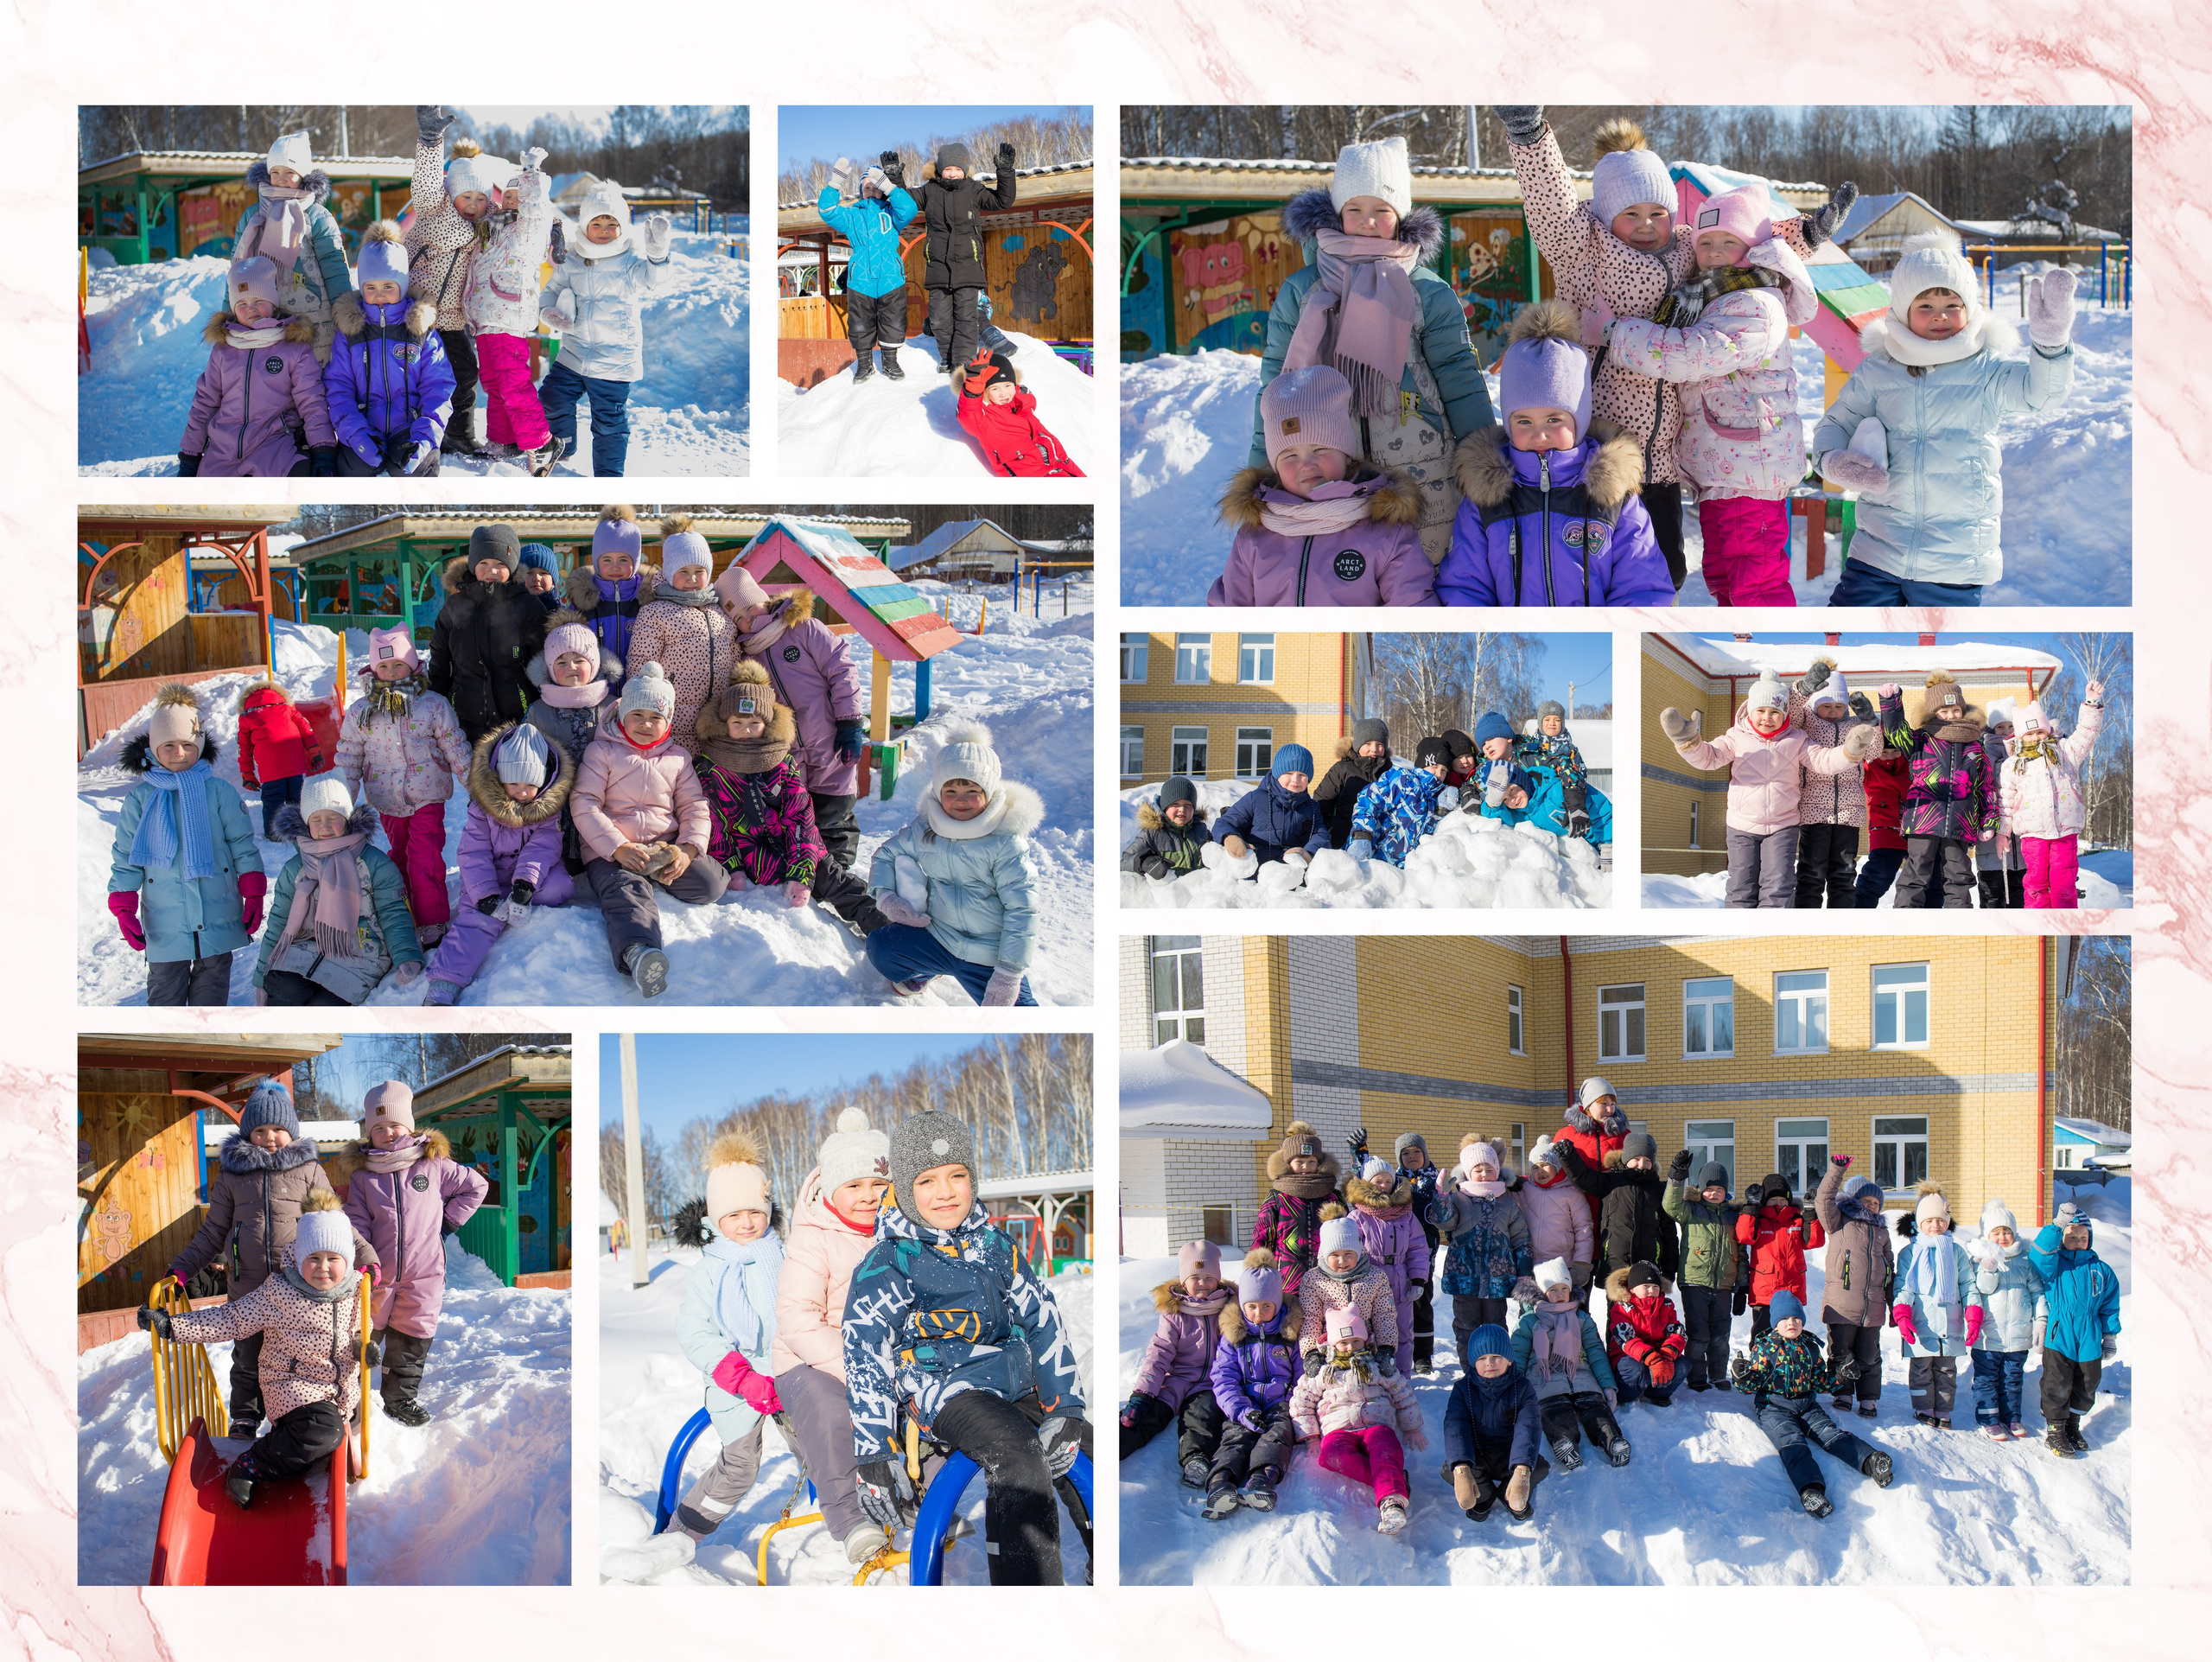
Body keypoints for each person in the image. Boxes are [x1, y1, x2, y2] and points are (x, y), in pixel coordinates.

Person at [1491, 106, 1848, 590]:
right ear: (1603, 215)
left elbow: (1739, 248)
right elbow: (1550, 207)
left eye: (1657, 213)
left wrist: (1804, 235)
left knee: (1667, 570)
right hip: (1603, 446)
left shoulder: (1686, 249)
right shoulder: (1583, 248)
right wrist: (1530, 136)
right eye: (1630, 214)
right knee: (1597, 569)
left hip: (1665, 452)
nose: (1645, 225)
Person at [843, 1111, 1090, 1586]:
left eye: (958, 1175)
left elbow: (1042, 1319)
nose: (946, 1191)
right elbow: (865, 1354)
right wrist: (876, 1451)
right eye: (927, 1180)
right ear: (904, 1190)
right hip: (946, 1387)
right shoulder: (890, 1262)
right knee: (1016, 1454)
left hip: (1010, 1377)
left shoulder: (995, 1245)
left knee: (1085, 1447)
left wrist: (1066, 1406)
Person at [1253, 137, 1493, 563]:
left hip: (1421, 469)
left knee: (1420, 583)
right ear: (1336, 213)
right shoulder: (1303, 291)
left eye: (1381, 211)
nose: (1367, 222)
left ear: (1400, 217)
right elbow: (1276, 384)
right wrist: (1260, 469)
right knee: (1345, 579)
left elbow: (1459, 377)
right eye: (1355, 210)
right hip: (1325, 468)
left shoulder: (1425, 291)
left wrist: (1484, 456)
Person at [1816, 233, 2076, 606]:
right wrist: (1832, 460)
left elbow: (2042, 395)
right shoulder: (1880, 369)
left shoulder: (1987, 369)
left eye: (1952, 303)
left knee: (1937, 655)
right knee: (1854, 640)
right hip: (1877, 552)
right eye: (1925, 305)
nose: (1940, 315)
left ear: (1970, 308)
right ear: (1904, 311)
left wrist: (2051, 345)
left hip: (1955, 560)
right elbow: (1835, 426)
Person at [1597, 184, 1819, 606]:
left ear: (1754, 248)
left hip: (1749, 472)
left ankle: (1765, 647)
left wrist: (1616, 333)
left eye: (1729, 241)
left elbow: (1692, 355)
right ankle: (1740, 636)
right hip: (1727, 469)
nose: (1715, 252)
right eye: (1706, 242)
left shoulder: (1754, 304)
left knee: (1755, 580)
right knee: (1723, 575)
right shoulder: (1716, 294)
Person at [162, 1079, 376, 1425]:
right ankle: (245, 1421)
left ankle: (318, 1418)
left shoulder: (308, 1171)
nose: (270, 1137)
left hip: (301, 1293)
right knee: (247, 1361)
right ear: (247, 1135)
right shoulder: (232, 1176)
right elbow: (213, 1230)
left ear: (291, 1132)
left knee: (306, 1358)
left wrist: (365, 1257)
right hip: (248, 1288)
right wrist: (183, 1268)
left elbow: (335, 1221)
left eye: (278, 1129)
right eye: (259, 1130)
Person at [1437, 299, 1674, 607]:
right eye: (1523, 421)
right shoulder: (1487, 500)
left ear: (1579, 419)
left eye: (1554, 419)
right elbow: (1464, 587)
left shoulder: (1614, 498)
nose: (1540, 434)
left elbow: (1644, 587)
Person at [138, 1193, 365, 1509]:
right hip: (292, 1386)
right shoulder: (281, 1291)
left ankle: (305, 1440)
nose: (322, 1268)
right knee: (324, 1433)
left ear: (347, 1260)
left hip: (337, 1390)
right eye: (313, 1258)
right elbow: (231, 1319)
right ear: (300, 1258)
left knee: (336, 1428)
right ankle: (250, 1466)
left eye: (333, 1259)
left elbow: (355, 1332)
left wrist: (361, 1348)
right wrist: (173, 1326)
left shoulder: (355, 1292)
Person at [770, 1108, 897, 1564]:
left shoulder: (899, 1234)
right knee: (829, 1408)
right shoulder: (813, 1238)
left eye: (879, 1184)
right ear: (831, 1189)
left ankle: (918, 1501)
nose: (868, 1196)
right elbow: (798, 1321)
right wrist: (858, 1369)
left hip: (878, 1356)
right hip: (807, 1360)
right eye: (854, 1185)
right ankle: (848, 1517)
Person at [653, 1130, 783, 1566]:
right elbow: (695, 1331)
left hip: (788, 1374)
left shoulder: (784, 1257)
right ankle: (682, 1535)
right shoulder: (710, 1271)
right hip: (739, 1382)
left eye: (754, 1211)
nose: (746, 1223)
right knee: (740, 1466)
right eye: (733, 1215)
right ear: (714, 1219)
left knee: (827, 1446)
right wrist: (742, 1378)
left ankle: (864, 1519)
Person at [1210, 366, 1433, 606]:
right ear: (1275, 466)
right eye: (1289, 456)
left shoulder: (1385, 531)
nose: (1306, 465)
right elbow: (1230, 613)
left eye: (1320, 449)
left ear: (1346, 455)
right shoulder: (1254, 536)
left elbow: (1411, 611)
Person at [572, 662, 729, 998]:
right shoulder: (602, 751)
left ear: (668, 722)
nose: (646, 724)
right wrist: (616, 848)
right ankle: (639, 952)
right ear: (622, 714)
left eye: (655, 717)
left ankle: (663, 871)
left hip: (663, 847)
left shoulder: (678, 758)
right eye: (637, 715)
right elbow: (584, 803)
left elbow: (694, 806)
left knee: (711, 883)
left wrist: (687, 849)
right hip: (612, 850)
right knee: (626, 891)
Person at [692, 661, 885, 934]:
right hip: (752, 859)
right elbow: (715, 825)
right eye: (738, 723)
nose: (746, 730)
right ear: (724, 724)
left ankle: (889, 929)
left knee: (837, 883)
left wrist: (802, 873)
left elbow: (800, 818)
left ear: (767, 724)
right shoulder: (711, 768)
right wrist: (732, 868)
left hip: (801, 850)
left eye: (754, 723)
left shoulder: (782, 763)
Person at [1661, 671, 1880, 907]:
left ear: (1785, 713)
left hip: (1782, 826)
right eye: (1761, 711)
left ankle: (1773, 936)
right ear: (1750, 710)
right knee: (1741, 887)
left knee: (1779, 887)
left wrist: (1850, 752)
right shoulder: (1736, 736)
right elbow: (1709, 758)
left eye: (1775, 711)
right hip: (1742, 825)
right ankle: (1741, 936)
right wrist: (1688, 741)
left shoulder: (1796, 739)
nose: (1767, 717)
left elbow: (1824, 760)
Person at [341, 1080, 488, 1425]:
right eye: (378, 1128)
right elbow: (358, 1221)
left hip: (425, 1273)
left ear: (408, 1126)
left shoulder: (432, 1164)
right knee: (361, 1337)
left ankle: (399, 1400)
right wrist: (363, 1260)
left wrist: (448, 1224)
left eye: (394, 1125)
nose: (387, 1133)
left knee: (412, 1337)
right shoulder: (364, 1177)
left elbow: (475, 1186)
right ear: (369, 1134)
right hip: (377, 1274)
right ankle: (352, 1399)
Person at [108, 686, 264, 1006]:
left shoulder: (218, 792)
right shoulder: (140, 800)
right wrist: (123, 905)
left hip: (218, 911)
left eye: (187, 745)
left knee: (210, 1001)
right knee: (165, 1001)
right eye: (169, 745)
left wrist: (253, 891)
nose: (179, 752)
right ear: (153, 749)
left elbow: (241, 845)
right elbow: (126, 857)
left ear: (200, 746)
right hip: (165, 922)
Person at [865, 723, 1039, 1006]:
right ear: (937, 791)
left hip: (987, 956)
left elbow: (1023, 911)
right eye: (951, 790)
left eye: (971, 790)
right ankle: (926, 970)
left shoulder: (1005, 843)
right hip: (939, 937)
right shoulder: (926, 829)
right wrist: (885, 897)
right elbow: (885, 855)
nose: (960, 801)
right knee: (881, 947)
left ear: (990, 791)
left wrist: (1009, 973)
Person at [719, 564, 866, 870]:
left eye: (750, 608)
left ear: (763, 598)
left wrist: (850, 721)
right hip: (787, 752)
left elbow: (841, 669)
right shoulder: (746, 654)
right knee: (798, 814)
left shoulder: (803, 627)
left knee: (834, 811)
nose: (749, 619)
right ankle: (805, 867)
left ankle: (836, 873)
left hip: (830, 740)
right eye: (739, 618)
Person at [335, 626, 471, 949]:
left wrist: (478, 790)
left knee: (424, 857)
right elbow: (348, 758)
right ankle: (405, 914)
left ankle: (432, 920)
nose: (392, 672)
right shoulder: (360, 711)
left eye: (398, 664)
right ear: (373, 669)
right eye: (384, 666)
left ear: (412, 665)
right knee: (398, 857)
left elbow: (456, 747)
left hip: (428, 796)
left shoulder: (433, 705)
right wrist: (339, 805)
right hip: (386, 799)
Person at [423, 724, 574, 1006]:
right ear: (500, 779)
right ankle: (444, 983)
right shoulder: (483, 810)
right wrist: (485, 895)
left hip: (524, 876)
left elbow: (543, 847)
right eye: (514, 783)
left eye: (530, 785)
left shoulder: (545, 810)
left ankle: (515, 898)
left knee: (560, 886)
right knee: (479, 921)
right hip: (486, 877)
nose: (522, 792)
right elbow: (473, 852)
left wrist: (525, 885)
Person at [537, 179, 676, 476]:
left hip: (614, 360)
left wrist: (658, 256)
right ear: (585, 226)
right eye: (596, 223)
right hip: (574, 352)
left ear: (622, 228)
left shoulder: (628, 261)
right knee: (551, 397)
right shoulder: (572, 259)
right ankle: (563, 447)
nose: (603, 230)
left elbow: (654, 279)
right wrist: (548, 311)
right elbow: (550, 290)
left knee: (609, 423)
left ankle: (608, 479)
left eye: (610, 224)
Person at [252, 776, 423, 1006]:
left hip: (360, 956)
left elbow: (394, 913)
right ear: (305, 823)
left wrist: (406, 955)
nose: (325, 826)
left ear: (347, 819)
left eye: (333, 817)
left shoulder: (374, 863)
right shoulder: (296, 869)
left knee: (322, 1009)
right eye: (316, 819)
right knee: (282, 986)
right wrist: (260, 978)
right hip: (304, 950)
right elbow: (278, 923)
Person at [1730, 1290, 1895, 1517]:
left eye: (1796, 1318)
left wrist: (1840, 1377)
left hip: (1807, 1404)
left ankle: (1870, 1460)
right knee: (1792, 1445)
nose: (1792, 1323)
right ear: (1775, 1323)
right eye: (1785, 1319)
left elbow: (1819, 1382)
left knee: (1831, 1434)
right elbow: (1751, 1385)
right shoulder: (1765, 1348)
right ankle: (1811, 1490)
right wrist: (1742, 1376)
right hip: (1774, 1408)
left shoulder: (1810, 1347)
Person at [177, 257, 336, 477]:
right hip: (222, 451)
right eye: (242, 304)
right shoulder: (224, 350)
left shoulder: (293, 347)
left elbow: (312, 401)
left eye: (258, 300)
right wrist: (190, 455)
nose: (250, 309)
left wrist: (323, 449)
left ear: (273, 302)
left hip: (272, 446)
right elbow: (204, 403)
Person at [464, 144, 564, 474]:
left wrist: (531, 174)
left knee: (512, 382)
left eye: (518, 195)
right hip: (486, 320)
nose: (512, 200)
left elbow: (537, 209)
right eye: (508, 195)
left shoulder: (529, 229)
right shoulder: (492, 227)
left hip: (508, 316)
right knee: (493, 383)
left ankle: (541, 441)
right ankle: (502, 439)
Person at [325, 221, 454, 475]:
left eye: (388, 287)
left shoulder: (420, 330)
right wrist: (355, 432)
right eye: (370, 288)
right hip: (364, 427)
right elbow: (338, 386)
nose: (379, 295)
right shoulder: (351, 332)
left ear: (402, 286)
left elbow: (438, 386)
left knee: (416, 473)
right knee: (352, 474)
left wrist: (424, 437)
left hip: (410, 428)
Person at [1290, 1307, 1425, 1534]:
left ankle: (1392, 1503)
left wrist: (1412, 1428)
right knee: (1330, 1457)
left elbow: (1401, 1392)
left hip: (1375, 1423)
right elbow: (1302, 1401)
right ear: (1332, 1345)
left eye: (1356, 1341)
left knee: (1386, 1452)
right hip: (1338, 1429)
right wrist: (1311, 1436)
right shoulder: (1323, 1372)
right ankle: (1393, 1480)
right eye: (1344, 1343)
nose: (1351, 1347)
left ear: (1365, 1340)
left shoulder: (1376, 1366)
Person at [1874, 674, 2001, 908]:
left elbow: (1986, 786)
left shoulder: (1975, 745)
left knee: (1959, 873)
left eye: (1955, 710)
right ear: (1934, 713)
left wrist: (1989, 819)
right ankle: (1906, 915)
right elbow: (1895, 731)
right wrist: (1891, 704)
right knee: (1917, 869)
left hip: (1961, 821)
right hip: (1924, 817)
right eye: (1944, 711)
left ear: (1963, 710)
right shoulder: (1921, 739)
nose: (1950, 716)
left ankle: (1959, 920)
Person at [404, 107, 489, 457]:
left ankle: (458, 433)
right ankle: (410, 431)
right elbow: (425, 183)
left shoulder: (486, 225)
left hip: (452, 316)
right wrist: (429, 142)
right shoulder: (432, 207)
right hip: (415, 311)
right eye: (466, 197)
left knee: (465, 372)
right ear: (451, 193)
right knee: (414, 376)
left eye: (480, 198)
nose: (472, 204)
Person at [228, 131, 353, 362]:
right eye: (275, 172)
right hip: (262, 318)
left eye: (289, 172)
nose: (281, 178)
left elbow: (334, 268)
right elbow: (236, 272)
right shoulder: (253, 216)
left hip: (312, 319)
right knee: (272, 383)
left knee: (312, 385)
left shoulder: (316, 216)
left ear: (303, 175)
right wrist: (227, 313)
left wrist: (345, 312)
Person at [1121, 1240, 1231, 1484]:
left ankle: (1196, 1459)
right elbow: (1159, 1354)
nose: (1202, 1283)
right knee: (1148, 1414)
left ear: (1218, 1279)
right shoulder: (1174, 1313)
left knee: (1201, 1416)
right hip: (1177, 1380)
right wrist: (1142, 1395)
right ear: (1183, 1282)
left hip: (1212, 1383)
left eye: (1208, 1277)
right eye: (1195, 1277)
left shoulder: (1229, 1309)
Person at [1204, 1251, 1304, 1518]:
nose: (1258, 1314)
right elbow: (1223, 1376)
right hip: (1244, 1403)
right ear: (1242, 1304)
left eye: (1266, 1306)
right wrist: (1239, 1409)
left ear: (1277, 1304)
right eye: (1252, 1306)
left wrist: (1294, 1400)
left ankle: (1261, 1480)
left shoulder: (1288, 1332)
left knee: (1279, 1433)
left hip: (1279, 1402)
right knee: (1235, 1437)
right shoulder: (1233, 1336)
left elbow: (1302, 1374)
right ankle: (1221, 1484)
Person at [429, 525, 550, 742]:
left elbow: (541, 660)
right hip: (464, 716)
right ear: (473, 564)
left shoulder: (528, 606)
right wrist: (436, 700)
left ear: (511, 567)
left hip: (517, 719)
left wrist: (540, 704)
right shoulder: (455, 606)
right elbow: (440, 656)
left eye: (500, 564)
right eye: (483, 563)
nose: (491, 571)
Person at [625, 517, 737, 749]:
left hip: (718, 722)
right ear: (668, 572)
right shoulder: (655, 613)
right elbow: (640, 666)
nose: (692, 579)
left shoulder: (720, 612)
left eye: (699, 571)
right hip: (671, 724)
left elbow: (735, 658)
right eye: (683, 571)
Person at [524, 618, 620, 876]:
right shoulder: (538, 711)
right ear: (550, 669)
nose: (572, 668)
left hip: (605, 807)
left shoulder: (613, 707)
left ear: (594, 663)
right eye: (562, 662)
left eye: (579, 660)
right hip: (556, 812)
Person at [1514, 1258, 1629, 1469]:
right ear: (1541, 1292)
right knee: (1555, 1412)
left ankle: (1613, 1441)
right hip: (1544, 1380)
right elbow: (1517, 1357)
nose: (1559, 1294)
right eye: (1553, 1289)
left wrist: (1607, 1385)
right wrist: (1515, 1391)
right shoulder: (1530, 1322)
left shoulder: (1581, 1318)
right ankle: (1563, 1441)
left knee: (1596, 1409)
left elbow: (1595, 1352)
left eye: (1564, 1288)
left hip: (1582, 1376)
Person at [2000, 686, 2108, 909]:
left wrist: (2091, 704)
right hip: (2033, 833)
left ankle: (2065, 921)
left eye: (2040, 731)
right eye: (2029, 734)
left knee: (2064, 882)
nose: (2036, 737)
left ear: (2048, 730)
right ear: (2020, 735)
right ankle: (2038, 923)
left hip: (2064, 829)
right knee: (2036, 882)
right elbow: (2006, 802)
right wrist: (2003, 833)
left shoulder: (2064, 751)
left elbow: (2086, 734)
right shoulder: (2013, 764)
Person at [2028, 1201, 2121, 1459]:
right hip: (2060, 1333)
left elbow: (2109, 1305)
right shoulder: (2054, 1265)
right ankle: (2055, 1431)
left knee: (2088, 1382)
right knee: (2057, 1382)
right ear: (2063, 1239)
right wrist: (2058, 1225)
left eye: (2084, 1237)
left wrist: (2110, 1335)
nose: (2079, 1241)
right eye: (2072, 1236)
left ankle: (2072, 1426)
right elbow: (2038, 1254)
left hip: (2090, 1334)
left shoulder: (2101, 1270)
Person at [914, 142, 1017, 373]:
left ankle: (963, 364)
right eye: (948, 169)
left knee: (967, 319)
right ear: (940, 169)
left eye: (958, 169)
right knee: (939, 319)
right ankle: (947, 358)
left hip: (969, 268)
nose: (953, 174)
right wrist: (896, 180)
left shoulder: (973, 190)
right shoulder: (928, 191)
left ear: (965, 169)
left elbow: (1003, 201)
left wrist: (1006, 172)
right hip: (939, 269)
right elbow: (904, 203)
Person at [1892, 1182, 1986, 1429]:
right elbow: (1904, 1287)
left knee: (1946, 1370)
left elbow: (1968, 1284)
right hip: (1921, 1324)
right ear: (1919, 1223)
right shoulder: (1910, 1253)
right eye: (1929, 1220)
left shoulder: (1955, 1251)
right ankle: (1924, 1408)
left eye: (1941, 1220)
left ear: (1947, 1221)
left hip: (1950, 1323)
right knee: (1921, 1368)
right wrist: (1902, 1315)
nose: (1936, 1225)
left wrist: (1973, 1314)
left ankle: (1943, 1409)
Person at [1430, 1137, 1532, 1358]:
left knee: (1496, 1327)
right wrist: (1442, 1198)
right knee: (1467, 1328)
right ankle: (1471, 1373)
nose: (1485, 1174)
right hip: (1465, 1277)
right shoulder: (1458, 1198)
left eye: (1489, 1168)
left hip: (1497, 1279)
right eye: (1478, 1169)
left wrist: (1524, 1273)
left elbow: (1521, 1238)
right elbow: (1444, 1222)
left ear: (1497, 1169)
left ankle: (1497, 1369)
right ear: (1468, 1172)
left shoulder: (1507, 1201)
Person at [820, 156, 919, 381]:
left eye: (876, 187)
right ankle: (864, 365)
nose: (871, 191)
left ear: (882, 190)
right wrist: (835, 183)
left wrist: (889, 186)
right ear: (861, 191)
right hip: (861, 278)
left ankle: (890, 362)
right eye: (867, 187)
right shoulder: (851, 215)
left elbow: (910, 209)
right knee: (859, 322)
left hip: (890, 277)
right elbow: (826, 210)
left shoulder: (893, 213)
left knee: (893, 319)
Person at [1785, 660, 1873, 908]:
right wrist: (1802, 689)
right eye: (1826, 706)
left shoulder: (1855, 724)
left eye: (1839, 706)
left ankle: (1840, 927)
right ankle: (1807, 924)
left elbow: (1875, 751)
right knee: (1811, 874)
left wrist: (1870, 721)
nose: (1833, 711)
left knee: (1844, 875)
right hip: (1814, 811)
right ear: (1815, 704)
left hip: (1849, 812)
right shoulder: (1805, 722)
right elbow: (1788, 714)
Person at [1813, 1155, 1894, 1419]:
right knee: (1840, 1351)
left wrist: (1893, 1303)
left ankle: (1868, 1398)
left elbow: (1890, 1269)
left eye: (1876, 1203)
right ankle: (1842, 1392)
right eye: (1866, 1200)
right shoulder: (1839, 1222)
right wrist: (1836, 1170)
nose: (1871, 1206)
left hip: (1873, 1305)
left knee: (1870, 1355)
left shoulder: (1882, 1232)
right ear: (1853, 1200)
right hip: (1842, 1302)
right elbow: (1823, 1199)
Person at [1440, 1324, 1547, 1522]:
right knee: (1451, 1468)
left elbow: (1528, 1428)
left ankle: (1510, 1491)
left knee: (1538, 1467)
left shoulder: (1522, 1388)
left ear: (1508, 1360)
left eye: (1496, 1356)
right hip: (1478, 1453)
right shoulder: (1462, 1390)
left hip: (1509, 1455)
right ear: (1473, 1363)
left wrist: (1522, 1469)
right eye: (1481, 1358)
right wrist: (1461, 1466)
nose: (1489, 1363)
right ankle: (1485, 1495)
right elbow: (1455, 1427)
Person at [1661, 1151, 1747, 1392]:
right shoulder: (1692, 1210)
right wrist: (1677, 1177)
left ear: (1726, 1190)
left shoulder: (1733, 1215)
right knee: (1699, 1334)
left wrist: (1742, 1283)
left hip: (1723, 1285)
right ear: (1700, 1189)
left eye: (1720, 1189)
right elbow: (1670, 1205)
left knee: (1721, 1335)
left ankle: (1718, 1374)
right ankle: (1696, 1375)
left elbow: (1741, 1251)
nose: (1714, 1193)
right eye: (1709, 1188)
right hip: (1694, 1282)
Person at [1965, 1197, 2047, 1441]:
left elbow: (2037, 1293)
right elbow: (1982, 1290)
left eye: (2007, 1231)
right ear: (1986, 1235)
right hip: (1989, 1337)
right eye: (1996, 1232)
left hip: (2018, 1336)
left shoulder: (2025, 1260)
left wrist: (2041, 1320)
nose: (2002, 1237)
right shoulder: (1978, 1260)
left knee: (2012, 1379)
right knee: (1987, 1379)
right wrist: (1988, 1268)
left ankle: (2012, 1417)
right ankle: (1989, 1418)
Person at [1555, 1132, 1679, 1293]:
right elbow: (1584, 1177)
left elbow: (1669, 1232)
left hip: (1648, 1265)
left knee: (1648, 1314)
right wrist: (1569, 1157)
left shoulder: (1658, 1189)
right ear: (1626, 1158)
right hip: (1616, 1263)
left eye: (1647, 1160)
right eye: (1636, 1158)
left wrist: (1669, 1270)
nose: (1641, 1164)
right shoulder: (1610, 1181)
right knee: (1617, 1314)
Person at [1343, 1157, 1430, 1380]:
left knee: (1403, 1330)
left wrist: (1418, 1279)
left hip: (1400, 1280)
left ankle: (1402, 1378)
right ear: (1367, 1184)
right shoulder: (1357, 1216)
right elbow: (1352, 1250)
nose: (1383, 1185)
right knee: (1371, 1331)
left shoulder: (1406, 1214)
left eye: (1387, 1180)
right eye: (1377, 1180)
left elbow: (1418, 1247)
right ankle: (1372, 1378)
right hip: (1369, 1282)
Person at [1296, 1208, 1402, 1376]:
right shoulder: (1314, 1280)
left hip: (1366, 1352)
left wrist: (1386, 1348)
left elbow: (1384, 1315)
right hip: (1329, 1354)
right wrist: (1310, 1352)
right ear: (1324, 1254)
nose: (1342, 1260)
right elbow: (1310, 1318)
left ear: (1359, 1251)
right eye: (1335, 1255)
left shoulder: (1375, 1276)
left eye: (1348, 1254)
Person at [955, 348, 1084, 476]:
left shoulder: (1023, 406)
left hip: (1064, 468)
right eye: (995, 389)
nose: (1003, 393)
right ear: (985, 392)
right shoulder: (986, 420)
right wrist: (974, 387)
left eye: (1007, 386)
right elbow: (969, 415)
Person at [1251, 1123, 1344, 1302]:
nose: (1305, 1167)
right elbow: (1263, 1237)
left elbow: (1343, 1235)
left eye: (1311, 1162)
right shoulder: (1277, 1198)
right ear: (1288, 1163)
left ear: (1319, 1163)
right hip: (1287, 1280)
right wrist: (1259, 1273)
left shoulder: (1331, 1196)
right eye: (1299, 1162)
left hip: (1328, 1278)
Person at [1211, 744, 1330, 879]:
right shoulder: (1255, 798)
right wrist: (1231, 838)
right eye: (1289, 773)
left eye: (1302, 775)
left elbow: (1320, 835)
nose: (1295, 780)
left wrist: (1307, 853)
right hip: (1254, 871)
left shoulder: (1311, 807)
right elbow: (1225, 822)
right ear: (1277, 773)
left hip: (1288, 874)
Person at [1737, 1171, 1824, 1341]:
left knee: (1792, 1336)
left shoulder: (1797, 1220)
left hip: (1792, 1290)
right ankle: (1759, 1366)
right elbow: (1744, 1236)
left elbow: (1814, 1241)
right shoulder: (1758, 1219)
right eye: (1773, 1200)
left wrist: (1810, 1211)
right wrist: (1751, 1206)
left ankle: (1791, 1366)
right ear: (1764, 1201)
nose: (1778, 1204)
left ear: (1790, 1200)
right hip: (1765, 1292)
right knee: (1762, 1337)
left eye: (1783, 1200)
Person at [564, 506, 652, 674]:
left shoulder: (650, 604)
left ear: (635, 561)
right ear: (597, 562)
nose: (615, 567)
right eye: (607, 560)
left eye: (623, 559)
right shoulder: (581, 607)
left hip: (640, 694)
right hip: (596, 695)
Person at [234, 679, 325, 842]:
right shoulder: (287, 709)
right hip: (295, 762)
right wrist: (314, 751)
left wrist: (247, 774)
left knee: (273, 800)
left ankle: (273, 834)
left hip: (271, 767)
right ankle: (299, 830)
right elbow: (306, 728)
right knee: (296, 797)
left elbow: (244, 748)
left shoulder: (247, 717)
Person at [1347, 735, 1453, 867]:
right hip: (1371, 856)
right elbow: (1369, 799)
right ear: (1423, 764)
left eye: (1444, 770)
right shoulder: (1403, 780)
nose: (1438, 774)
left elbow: (1426, 836)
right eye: (1435, 766)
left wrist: (1439, 813)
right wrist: (1362, 835)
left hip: (1400, 872)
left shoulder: (1435, 800)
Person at [1516, 1136, 1594, 1305]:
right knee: (1533, 1314)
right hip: (1533, 1266)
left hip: (1563, 1266)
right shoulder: (1524, 1189)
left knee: (1565, 1313)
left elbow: (1584, 1229)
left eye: (1545, 1165)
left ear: (1557, 1166)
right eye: (1535, 1167)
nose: (1540, 1171)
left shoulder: (1571, 1193)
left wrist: (1581, 1263)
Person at [1604, 1259, 1686, 1411]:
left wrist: (1667, 1355)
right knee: (1637, 1368)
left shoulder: (1666, 1305)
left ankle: (1658, 1392)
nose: (1651, 1290)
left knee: (1683, 1364)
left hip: (1660, 1354)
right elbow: (1626, 1338)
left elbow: (1677, 1331)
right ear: (1632, 1289)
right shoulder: (1622, 1307)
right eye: (1646, 1286)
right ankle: (1626, 1394)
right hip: (1627, 1356)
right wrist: (1652, 1359)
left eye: (1655, 1287)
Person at [1516, 701, 1593, 837]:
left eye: (1557, 720)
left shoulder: (1570, 749)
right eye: (1547, 719)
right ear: (1540, 722)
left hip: (1562, 798)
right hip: (1538, 798)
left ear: (1562, 723)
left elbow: (1581, 774)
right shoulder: (1532, 747)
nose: (1552, 723)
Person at [1311, 720, 1393, 849]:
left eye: (1379, 744)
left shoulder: (1390, 773)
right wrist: (1330, 829)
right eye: (1368, 744)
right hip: (1342, 839)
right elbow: (1321, 803)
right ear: (1358, 745)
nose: (1374, 749)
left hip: (1381, 842)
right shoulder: (1342, 769)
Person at [1120, 776, 1211, 879]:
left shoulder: (1201, 831)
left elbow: (1221, 854)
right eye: (1175, 804)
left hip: (1200, 891)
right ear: (1164, 807)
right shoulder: (1152, 834)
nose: (1182, 809)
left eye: (1188, 804)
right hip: (1169, 892)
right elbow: (1124, 861)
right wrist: (1144, 862)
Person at [516, 543, 564, 612]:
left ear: (553, 582)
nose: (536, 578)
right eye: (529, 573)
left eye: (543, 573)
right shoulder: (508, 613)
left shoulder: (564, 618)